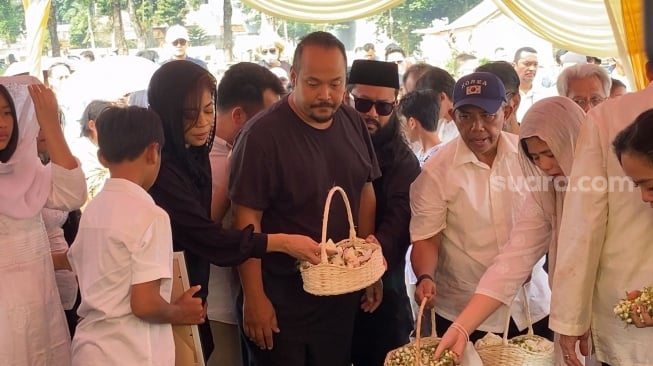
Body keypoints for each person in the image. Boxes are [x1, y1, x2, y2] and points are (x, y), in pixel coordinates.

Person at [146, 60, 324, 360]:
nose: (203, 123)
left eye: (208, 110)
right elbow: (207, 236)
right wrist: (282, 242)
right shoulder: (160, 170)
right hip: (167, 303)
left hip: (191, 299)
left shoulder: (193, 156)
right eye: (190, 114)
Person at [229, 31, 381, 366]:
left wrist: (369, 269)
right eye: (313, 83)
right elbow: (245, 218)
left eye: (336, 84)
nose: (325, 95)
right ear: (294, 78)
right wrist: (254, 298)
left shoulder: (352, 121)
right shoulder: (261, 135)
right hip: (281, 304)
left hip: (339, 299)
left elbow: (366, 189)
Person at [432, 97, 586, 364]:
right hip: (574, 322)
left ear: (574, 142)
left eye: (551, 153)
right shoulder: (546, 192)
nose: (545, 165)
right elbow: (513, 260)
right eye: (536, 157)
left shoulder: (615, 185)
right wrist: (462, 326)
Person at [410, 72, 551, 345]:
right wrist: (425, 276)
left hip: (531, 303)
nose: (477, 127)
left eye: (487, 115)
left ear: (507, 111)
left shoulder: (531, 158)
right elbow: (427, 237)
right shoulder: (435, 173)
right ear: (452, 115)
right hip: (465, 310)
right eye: (466, 116)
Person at [62, 106, 204, 365]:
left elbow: (72, 260)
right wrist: (180, 312)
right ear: (153, 151)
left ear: (102, 157)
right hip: (132, 352)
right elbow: (145, 304)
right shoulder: (151, 215)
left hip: (89, 349)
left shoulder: (94, 209)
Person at [550, 61, 653, 366]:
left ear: (646, 68)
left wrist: (571, 319)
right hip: (629, 312)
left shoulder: (608, 117)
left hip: (624, 316)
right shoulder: (605, 117)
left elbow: (584, 225)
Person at [0, 77, 86, 364]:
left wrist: (50, 124)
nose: (2, 123)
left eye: (7, 112)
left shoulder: (29, 169)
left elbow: (73, 194)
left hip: (41, 303)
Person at [207, 62, 285, 366]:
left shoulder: (228, 155)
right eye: (267, 119)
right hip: (217, 309)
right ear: (239, 115)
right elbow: (205, 235)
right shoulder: (217, 162)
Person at [346, 59, 421, 366]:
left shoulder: (403, 161)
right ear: (348, 98)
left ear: (396, 105)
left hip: (381, 290)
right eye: (363, 104)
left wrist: (371, 260)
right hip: (323, 287)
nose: (371, 114)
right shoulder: (327, 142)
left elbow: (401, 216)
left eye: (383, 107)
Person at [69, 100, 113, 202]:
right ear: (92, 125)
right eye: (108, 123)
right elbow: (94, 189)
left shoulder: (106, 147)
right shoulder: (80, 148)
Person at [413, 66, 459, 143]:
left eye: (428, 103)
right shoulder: (438, 124)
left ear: (442, 97)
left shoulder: (465, 125)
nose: (427, 109)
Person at [397, 89, 442, 166]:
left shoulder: (440, 158)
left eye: (401, 122)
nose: (401, 128)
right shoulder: (419, 155)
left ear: (412, 123)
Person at [476, 61, 521, 133]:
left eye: (487, 114)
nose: (477, 126)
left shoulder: (537, 143)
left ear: (514, 102)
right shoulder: (462, 143)